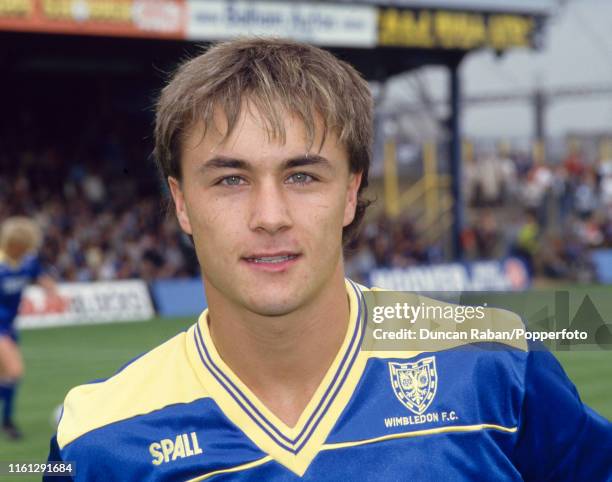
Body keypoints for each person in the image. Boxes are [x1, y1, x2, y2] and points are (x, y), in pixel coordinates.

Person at [47, 38, 611, 481]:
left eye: (302, 175)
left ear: (349, 193)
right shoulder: (98, 436)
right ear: (182, 203)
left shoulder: (494, 363)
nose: (270, 215)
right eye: (230, 179)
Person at [0, 216, 55, 439]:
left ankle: (7, 422)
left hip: (10, 326)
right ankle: (8, 422)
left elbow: (40, 276)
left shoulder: (28, 261)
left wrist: (53, 291)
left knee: (6, 376)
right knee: (14, 370)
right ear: (15, 245)